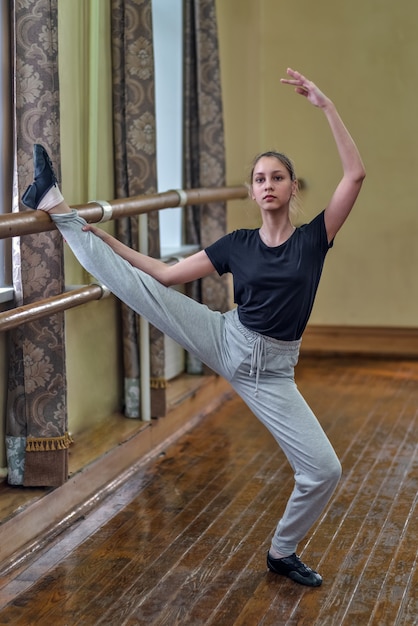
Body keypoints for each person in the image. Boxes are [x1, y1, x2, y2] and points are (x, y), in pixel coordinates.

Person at [22, 68, 365, 587]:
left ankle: (282, 551)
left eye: (277, 177)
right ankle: (55, 204)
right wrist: (108, 239)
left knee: (324, 471)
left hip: (272, 373)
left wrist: (326, 105)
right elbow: (163, 274)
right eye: (259, 178)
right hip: (226, 338)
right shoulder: (237, 244)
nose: (268, 185)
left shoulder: (314, 239)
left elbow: (355, 176)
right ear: (252, 191)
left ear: (292, 187)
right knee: (141, 289)